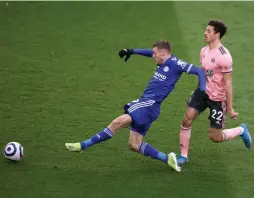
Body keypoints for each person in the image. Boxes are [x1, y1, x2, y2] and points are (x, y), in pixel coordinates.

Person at [65, 40, 207, 172]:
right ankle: (167, 158)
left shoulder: (177, 64)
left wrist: (202, 90)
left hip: (148, 104)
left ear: (163, 53)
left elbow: (199, 71)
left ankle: (83, 145)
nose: (152, 56)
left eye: (154, 53)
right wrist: (132, 51)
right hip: (149, 107)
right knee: (134, 145)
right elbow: (149, 52)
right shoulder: (163, 60)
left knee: (117, 122)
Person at [167, 20, 252, 172]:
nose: (205, 33)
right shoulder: (203, 51)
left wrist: (230, 109)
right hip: (202, 91)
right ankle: (184, 156)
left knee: (215, 137)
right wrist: (196, 90)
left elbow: (228, 84)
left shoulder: (224, 57)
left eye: (208, 31)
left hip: (218, 99)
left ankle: (241, 130)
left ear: (217, 34)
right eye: (205, 30)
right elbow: (203, 74)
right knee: (187, 119)